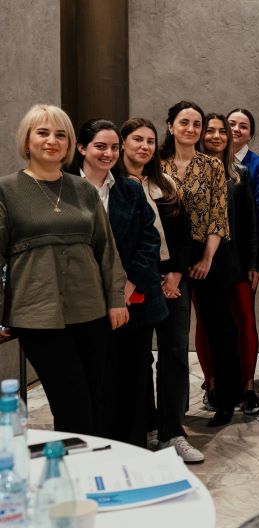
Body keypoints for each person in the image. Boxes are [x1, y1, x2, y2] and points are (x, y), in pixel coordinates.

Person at [0, 105, 127, 435]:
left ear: (70, 144)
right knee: (72, 401)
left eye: (61, 135)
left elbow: (106, 249)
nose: (51, 140)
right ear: (27, 140)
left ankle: (90, 469)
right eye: (42, 132)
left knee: (96, 399)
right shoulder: (7, 191)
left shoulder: (83, 190)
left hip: (91, 311)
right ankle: (73, 474)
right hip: (35, 314)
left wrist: (116, 299)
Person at [69, 119, 164, 448]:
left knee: (133, 375)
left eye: (113, 147)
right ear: (82, 148)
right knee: (94, 379)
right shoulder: (64, 190)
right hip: (81, 304)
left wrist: (127, 287)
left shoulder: (128, 188)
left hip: (130, 301)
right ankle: (95, 444)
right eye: (100, 146)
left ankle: (133, 446)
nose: (108, 153)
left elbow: (149, 242)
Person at [117, 118, 198, 460]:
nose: (145, 147)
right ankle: (143, 426)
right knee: (137, 358)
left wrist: (177, 274)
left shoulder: (164, 183)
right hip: (135, 281)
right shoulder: (114, 185)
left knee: (175, 354)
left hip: (172, 279)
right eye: (137, 139)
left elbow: (183, 233)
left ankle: (172, 431)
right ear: (123, 143)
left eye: (150, 141)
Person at [160, 100, 240, 427]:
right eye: (184, 123)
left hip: (208, 253)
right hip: (166, 258)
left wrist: (207, 258)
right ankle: (173, 410)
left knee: (220, 329)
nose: (191, 129)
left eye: (197, 124)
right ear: (170, 126)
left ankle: (226, 401)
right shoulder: (157, 165)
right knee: (173, 337)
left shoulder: (212, 166)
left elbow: (219, 217)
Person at [199, 113, 259, 415]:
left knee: (245, 320)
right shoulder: (191, 172)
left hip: (237, 261)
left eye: (220, 131)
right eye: (209, 131)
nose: (215, 136)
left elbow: (250, 221)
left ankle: (247, 386)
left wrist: (253, 263)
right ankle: (211, 384)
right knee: (207, 324)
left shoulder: (240, 173)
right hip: (203, 263)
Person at [228, 108, 259, 227]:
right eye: (231, 124)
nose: (236, 129)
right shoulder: (213, 160)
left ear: (250, 135)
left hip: (244, 232)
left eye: (243, 126)